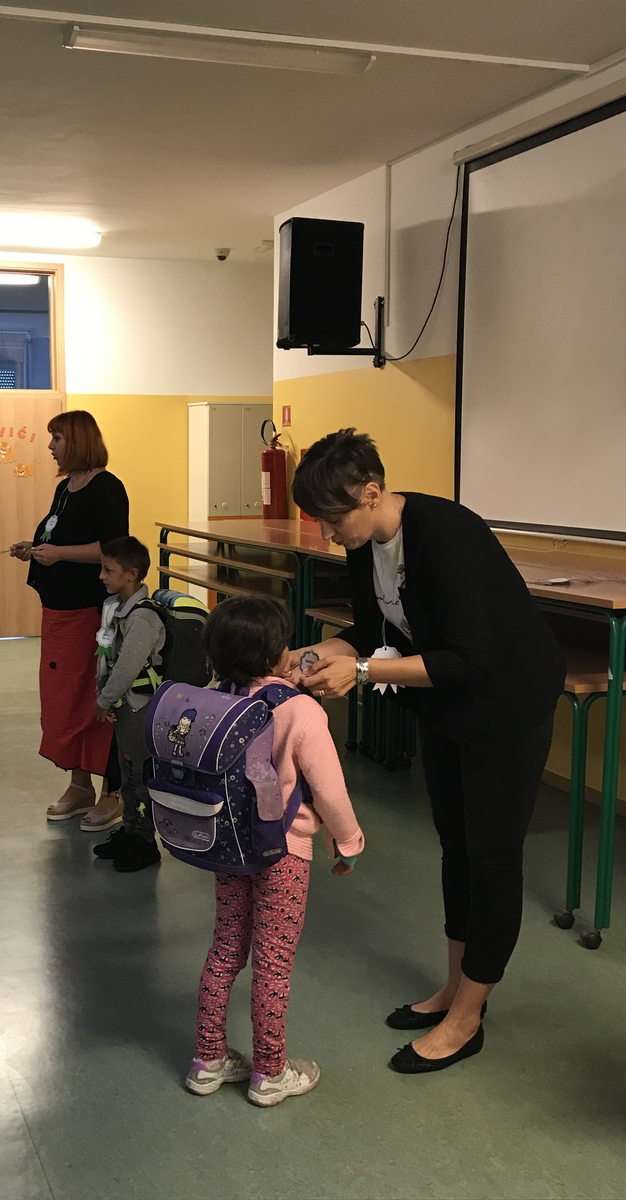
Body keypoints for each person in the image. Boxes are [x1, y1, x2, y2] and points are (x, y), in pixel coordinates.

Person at [290, 429, 565, 1075]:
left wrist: (361, 673)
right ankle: (454, 990)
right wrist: (310, 655)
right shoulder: (366, 543)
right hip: (446, 703)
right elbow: (370, 631)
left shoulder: (447, 534)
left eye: (333, 518)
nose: (327, 533)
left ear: (371, 493)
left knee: (491, 858)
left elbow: (468, 658)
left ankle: (468, 1018)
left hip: (506, 704)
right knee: (456, 847)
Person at [186, 596, 364, 1108]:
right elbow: (329, 789)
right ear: (276, 654)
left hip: (228, 846)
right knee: (273, 963)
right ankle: (269, 1071)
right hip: (283, 853)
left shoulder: (215, 699)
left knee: (225, 949)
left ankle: (208, 1060)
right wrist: (348, 840)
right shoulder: (299, 710)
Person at [10, 411, 128, 827]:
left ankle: (113, 792)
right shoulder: (65, 488)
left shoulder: (107, 488)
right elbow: (60, 534)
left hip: (89, 612)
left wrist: (59, 553)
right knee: (63, 700)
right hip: (58, 612)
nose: (50, 446)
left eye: (57, 438)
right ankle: (79, 784)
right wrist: (35, 548)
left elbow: (113, 547)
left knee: (95, 697)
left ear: (78, 441)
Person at [90, 536, 164, 873]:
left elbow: (126, 667)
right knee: (127, 771)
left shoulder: (142, 618)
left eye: (109, 570)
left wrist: (103, 699)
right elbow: (107, 657)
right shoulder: (118, 609)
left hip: (139, 707)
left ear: (131, 575)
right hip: (124, 706)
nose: (101, 576)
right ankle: (131, 830)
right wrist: (106, 696)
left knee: (140, 774)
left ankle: (146, 842)